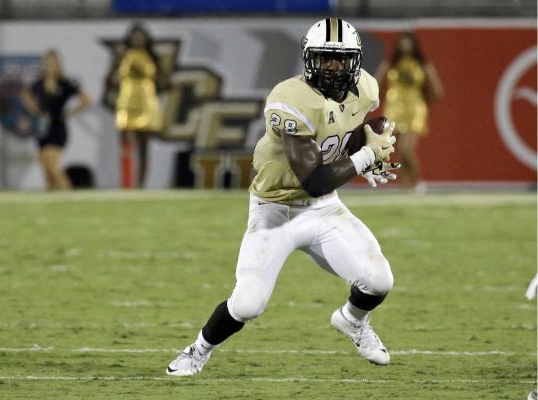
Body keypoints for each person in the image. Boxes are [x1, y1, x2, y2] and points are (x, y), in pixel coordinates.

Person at [167, 18, 399, 376]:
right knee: (247, 304)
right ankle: (198, 350)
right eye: (324, 58)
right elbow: (314, 179)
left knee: (379, 279)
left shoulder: (365, 89)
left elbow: (341, 137)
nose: (333, 67)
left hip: (324, 212)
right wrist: (365, 157)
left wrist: (366, 144)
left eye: (340, 59)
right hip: (275, 212)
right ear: (309, 59)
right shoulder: (291, 99)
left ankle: (352, 320)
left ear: (356, 61)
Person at [375, 31, 443, 191]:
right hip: (394, 110)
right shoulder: (391, 63)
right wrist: (387, 95)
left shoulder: (422, 64)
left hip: (414, 110)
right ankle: (407, 184)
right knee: (399, 150)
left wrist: (422, 101)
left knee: (407, 149)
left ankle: (417, 182)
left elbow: (437, 90)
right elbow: (377, 83)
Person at [22, 49, 92, 190]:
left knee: (53, 167)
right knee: (47, 171)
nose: (49, 66)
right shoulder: (39, 83)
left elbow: (86, 100)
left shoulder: (64, 83)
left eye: (52, 63)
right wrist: (35, 110)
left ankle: (69, 195)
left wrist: (70, 112)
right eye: (47, 63)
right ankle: (52, 203)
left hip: (57, 128)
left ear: (58, 64)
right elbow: (26, 94)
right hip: (43, 129)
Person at [115, 24, 165, 188]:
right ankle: (127, 182)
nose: (137, 39)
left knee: (143, 147)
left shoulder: (151, 57)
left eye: (141, 35)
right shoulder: (123, 56)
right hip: (128, 102)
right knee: (127, 144)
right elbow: (110, 78)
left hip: (145, 103)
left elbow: (162, 80)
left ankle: (141, 184)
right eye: (135, 36)